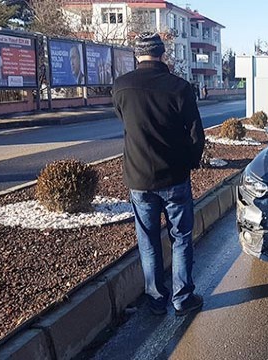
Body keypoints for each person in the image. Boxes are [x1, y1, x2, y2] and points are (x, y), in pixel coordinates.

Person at [112, 32, 206, 317]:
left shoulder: (121, 86)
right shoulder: (180, 88)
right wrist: (190, 163)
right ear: (162, 54)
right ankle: (182, 298)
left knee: (148, 241)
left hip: (139, 179)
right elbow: (196, 135)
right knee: (180, 238)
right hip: (175, 178)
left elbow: (124, 122)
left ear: (137, 55)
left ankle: (155, 300)